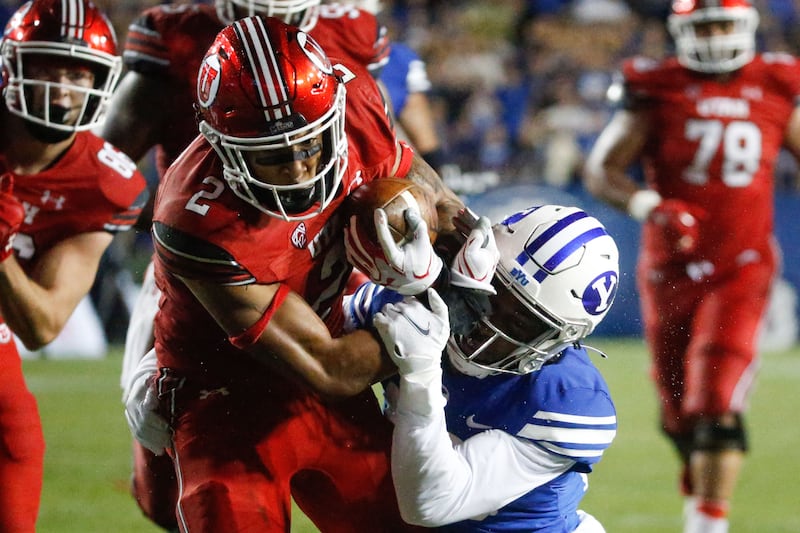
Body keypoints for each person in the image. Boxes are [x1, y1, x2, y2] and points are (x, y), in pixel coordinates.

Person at [123, 16, 476, 532]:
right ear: (219, 143)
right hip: (222, 399)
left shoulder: (356, 104)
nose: (297, 170)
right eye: (270, 156)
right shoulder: (197, 217)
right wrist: (449, 309)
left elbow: (432, 196)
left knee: (413, 523)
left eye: (309, 143)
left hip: (329, 386)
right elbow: (330, 367)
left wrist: (471, 247)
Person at [582, 1, 800, 532]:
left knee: (715, 396)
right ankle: (700, 492)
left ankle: (707, 523)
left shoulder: (775, 82)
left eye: (725, 23)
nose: (717, 35)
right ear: (681, 31)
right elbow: (602, 170)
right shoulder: (656, 85)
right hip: (670, 269)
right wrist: (649, 205)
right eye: (705, 26)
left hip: (741, 265)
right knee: (677, 408)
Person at [348, 204, 620, 531]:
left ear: (558, 340)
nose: (486, 326)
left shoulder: (567, 399)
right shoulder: (417, 300)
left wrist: (421, 372)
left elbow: (430, 503)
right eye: (489, 296)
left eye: (518, 323)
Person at [0, 0, 148, 530]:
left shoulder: (106, 183)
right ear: (13, 68)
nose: (61, 90)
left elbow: (41, 325)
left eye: (76, 73)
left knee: (14, 432)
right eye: (47, 69)